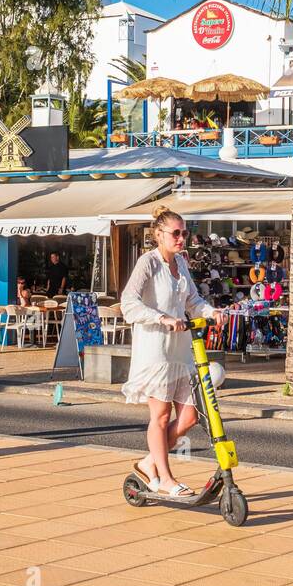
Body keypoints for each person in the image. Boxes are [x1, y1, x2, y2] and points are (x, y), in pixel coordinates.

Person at [120, 206, 221, 498]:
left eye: (184, 233)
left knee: (190, 416)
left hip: (181, 350)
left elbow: (193, 300)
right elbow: (128, 302)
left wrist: (213, 311)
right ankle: (164, 478)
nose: (181, 238)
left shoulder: (181, 264)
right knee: (161, 416)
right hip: (156, 351)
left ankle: (149, 462)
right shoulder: (148, 263)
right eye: (175, 233)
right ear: (159, 235)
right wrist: (161, 317)